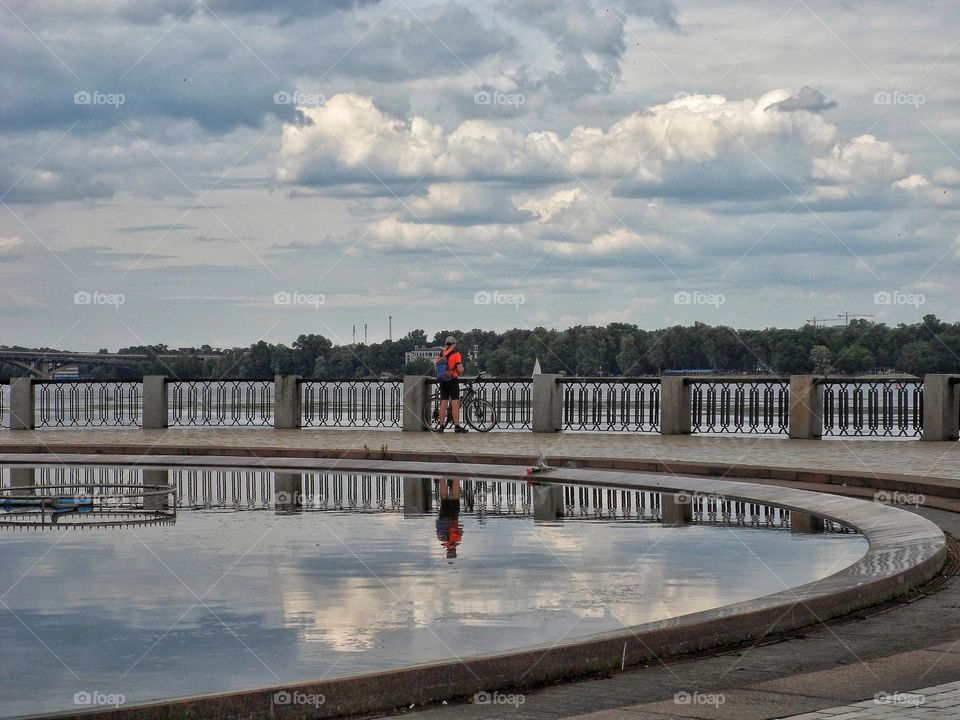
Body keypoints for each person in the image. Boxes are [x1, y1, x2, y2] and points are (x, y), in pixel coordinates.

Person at [436, 335, 467, 433]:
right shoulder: (456, 354)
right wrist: (462, 369)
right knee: (455, 404)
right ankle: (457, 426)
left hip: (442, 381)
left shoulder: (441, 354)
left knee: (443, 404)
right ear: (453, 344)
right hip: (452, 380)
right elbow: (460, 369)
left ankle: (441, 426)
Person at [436, 478, 464, 559]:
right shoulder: (441, 539)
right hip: (443, 515)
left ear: (455, 550)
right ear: (447, 550)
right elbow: (438, 525)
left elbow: (460, 529)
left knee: (455, 496)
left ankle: (456, 476)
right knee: (444, 496)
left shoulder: (457, 539)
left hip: (453, 516)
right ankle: (441, 476)